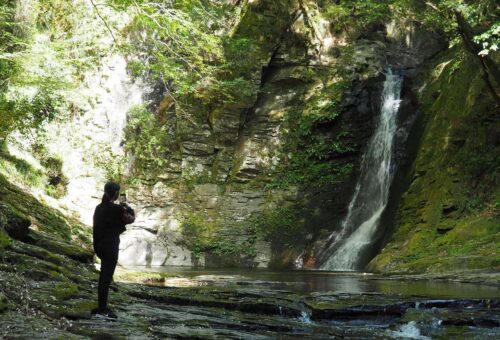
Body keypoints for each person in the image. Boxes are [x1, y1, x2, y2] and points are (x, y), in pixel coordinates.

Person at [91, 182, 135, 319]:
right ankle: (102, 309)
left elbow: (96, 227)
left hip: (99, 245)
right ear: (115, 193)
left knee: (103, 276)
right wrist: (126, 207)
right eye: (118, 192)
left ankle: (101, 306)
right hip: (111, 246)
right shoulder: (117, 209)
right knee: (106, 277)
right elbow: (130, 219)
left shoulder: (98, 208)